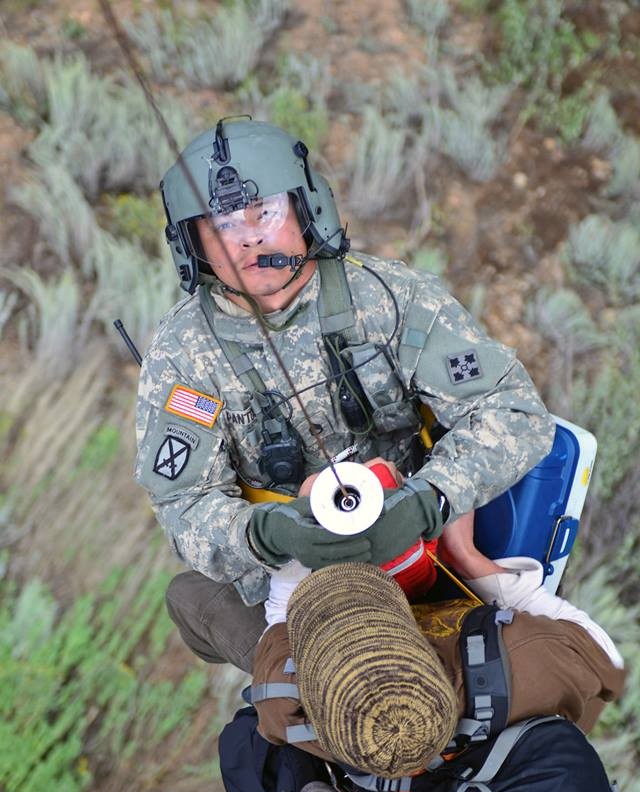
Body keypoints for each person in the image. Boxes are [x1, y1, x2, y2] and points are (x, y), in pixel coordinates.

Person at [135, 117, 555, 672]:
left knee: (541, 670)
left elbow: (514, 413)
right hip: (295, 582)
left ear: (307, 208)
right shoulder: (182, 354)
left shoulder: (389, 297)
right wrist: (265, 534)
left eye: (265, 212)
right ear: (194, 246)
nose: (249, 237)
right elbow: (184, 504)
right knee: (299, 699)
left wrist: (431, 499)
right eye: (222, 224)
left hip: (421, 548)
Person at [250, 511, 625, 777]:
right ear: (419, 636)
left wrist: (299, 518)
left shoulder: (286, 702)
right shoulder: (530, 657)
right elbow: (605, 655)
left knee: (194, 599)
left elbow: (281, 613)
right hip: (523, 701)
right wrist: (466, 555)